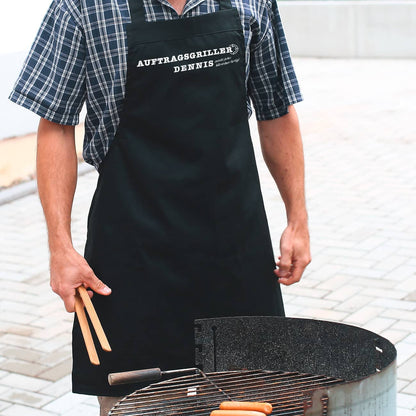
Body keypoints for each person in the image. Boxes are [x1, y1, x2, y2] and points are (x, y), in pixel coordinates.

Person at [10, 0, 311, 414]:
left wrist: (298, 219)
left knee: (253, 399)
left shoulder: (252, 3)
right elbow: (56, 125)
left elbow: (276, 111)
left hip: (235, 254)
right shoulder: (81, 7)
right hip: (132, 261)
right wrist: (59, 247)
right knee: (133, 406)